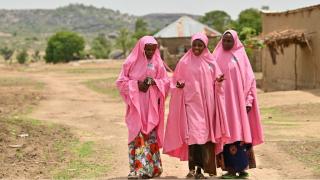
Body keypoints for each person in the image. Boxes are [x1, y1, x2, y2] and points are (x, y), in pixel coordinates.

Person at [163, 33, 230, 179]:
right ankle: (192, 169)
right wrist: (178, 85)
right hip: (190, 105)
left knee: (205, 138)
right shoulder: (184, 62)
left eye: (200, 45)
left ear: (205, 46)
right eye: (195, 45)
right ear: (191, 45)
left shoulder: (211, 63)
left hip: (207, 107)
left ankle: (202, 170)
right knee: (194, 137)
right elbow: (174, 82)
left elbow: (218, 83)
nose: (197, 48)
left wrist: (218, 82)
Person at [212, 30, 264, 179]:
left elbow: (250, 80)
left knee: (240, 134)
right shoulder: (216, 56)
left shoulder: (241, 56)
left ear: (235, 41)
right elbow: (210, 78)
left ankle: (242, 169)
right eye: (224, 40)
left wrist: (248, 101)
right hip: (222, 104)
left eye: (230, 41)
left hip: (239, 105)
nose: (226, 43)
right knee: (226, 134)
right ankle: (229, 169)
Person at [116, 36, 169, 179]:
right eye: (147, 49)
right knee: (136, 134)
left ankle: (152, 169)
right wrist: (136, 85)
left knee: (150, 136)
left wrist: (154, 83)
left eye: (153, 49)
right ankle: (137, 170)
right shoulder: (130, 62)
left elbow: (166, 82)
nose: (151, 51)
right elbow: (120, 82)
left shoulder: (158, 63)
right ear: (141, 48)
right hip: (136, 106)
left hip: (151, 107)